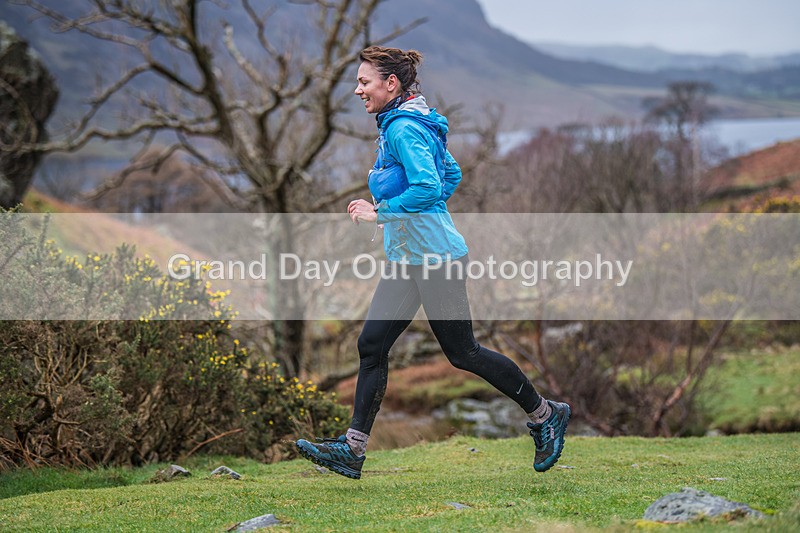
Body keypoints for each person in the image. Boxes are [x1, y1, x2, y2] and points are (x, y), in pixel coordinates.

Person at [296, 46, 569, 479]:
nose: (358, 90)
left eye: (365, 82)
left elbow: (428, 186)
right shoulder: (404, 123)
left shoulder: (404, 128)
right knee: (371, 346)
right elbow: (449, 177)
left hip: (437, 259)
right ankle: (352, 449)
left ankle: (545, 414)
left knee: (463, 353)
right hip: (408, 258)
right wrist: (403, 207)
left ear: (391, 84)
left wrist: (381, 212)